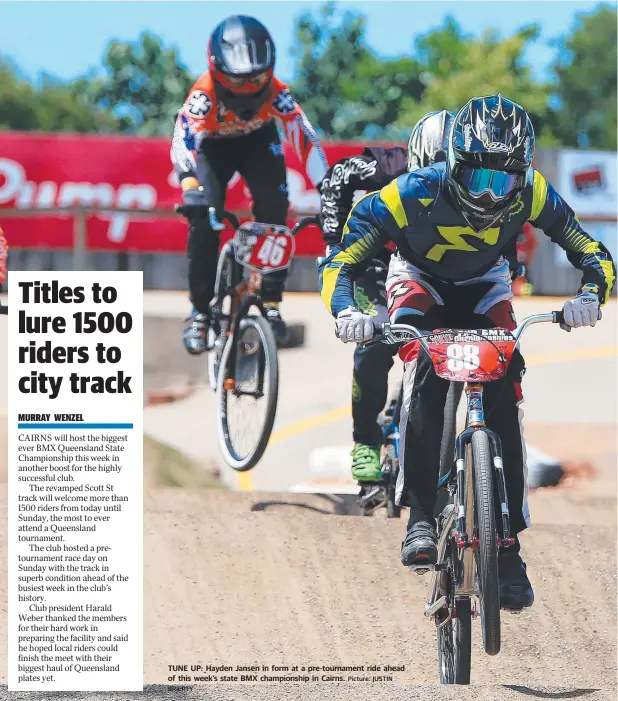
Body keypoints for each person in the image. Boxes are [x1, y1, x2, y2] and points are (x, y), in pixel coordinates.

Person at [318, 94, 615, 610]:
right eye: (480, 179)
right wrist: (348, 311)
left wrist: (591, 296)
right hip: (418, 282)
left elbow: (593, 252)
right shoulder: (407, 192)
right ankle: (421, 518)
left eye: (506, 181)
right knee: (425, 373)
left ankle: (509, 546)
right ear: (452, 162)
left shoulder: (532, 192)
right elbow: (339, 261)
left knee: (507, 383)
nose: (493, 194)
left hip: (486, 286)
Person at [171, 14, 328, 353]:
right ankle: (199, 310)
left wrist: (328, 188)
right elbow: (182, 140)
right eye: (238, 81)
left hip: (259, 143)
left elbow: (305, 139)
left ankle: (270, 301)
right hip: (213, 149)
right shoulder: (204, 95)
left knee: (274, 208)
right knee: (204, 220)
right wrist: (189, 185)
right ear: (216, 69)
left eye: (258, 79)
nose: (249, 88)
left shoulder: (277, 93)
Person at [318, 110, 455, 482]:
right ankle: (365, 440)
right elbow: (336, 177)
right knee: (375, 342)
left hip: (430, 274)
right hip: (374, 270)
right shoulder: (382, 167)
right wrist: (334, 241)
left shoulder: (469, 182)